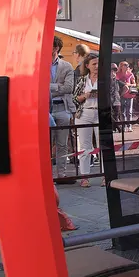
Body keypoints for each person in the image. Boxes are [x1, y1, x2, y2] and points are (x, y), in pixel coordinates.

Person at [49, 36, 75, 179]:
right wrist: (59, 87)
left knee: (62, 144)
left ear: (56, 48)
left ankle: (61, 174)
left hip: (63, 108)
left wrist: (49, 87)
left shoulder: (67, 66)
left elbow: (69, 88)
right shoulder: (39, 65)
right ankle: (47, 175)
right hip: (45, 109)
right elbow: (36, 87)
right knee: (46, 144)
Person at [73, 52, 100, 187]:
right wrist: (85, 96)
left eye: (99, 63)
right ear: (87, 65)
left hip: (101, 113)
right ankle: (85, 177)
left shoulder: (105, 79)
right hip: (84, 113)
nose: (97, 66)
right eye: (94, 64)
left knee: (103, 146)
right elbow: (74, 98)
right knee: (85, 146)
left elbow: (114, 96)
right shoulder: (82, 80)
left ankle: (105, 176)